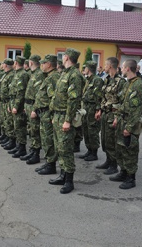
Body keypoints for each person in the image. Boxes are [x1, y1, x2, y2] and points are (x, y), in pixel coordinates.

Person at [49, 48, 83, 194]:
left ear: (67, 57)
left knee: (66, 149)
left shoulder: (74, 75)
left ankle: (69, 181)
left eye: (63, 56)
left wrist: (68, 120)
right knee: (59, 147)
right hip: (58, 116)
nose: (62, 58)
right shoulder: (65, 73)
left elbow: (73, 100)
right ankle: (62, 175)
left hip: (65, 116)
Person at [111, 59, 142, 189]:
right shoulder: (128, 83)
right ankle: (123, 171)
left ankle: (131, 178)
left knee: (130, 150)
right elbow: (122, 103)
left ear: (128, 68)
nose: (121, 68)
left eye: (123, 66)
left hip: (129, 122)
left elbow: (136, 110)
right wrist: (117, 117)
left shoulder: (138, 85)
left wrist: (129, 127)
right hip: (122, 119)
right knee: (120, 148)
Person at [95, 57, 126, 174]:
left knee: (112, 141)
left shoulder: (121, 82)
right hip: (105, 113)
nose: (104, 66)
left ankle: (114, 165)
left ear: (111, 66)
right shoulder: (107, 80)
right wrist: (100, 110)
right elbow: (104, 97)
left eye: (106, 64)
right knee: (105, 139)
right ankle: (108, 160)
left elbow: (122, 101)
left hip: (114, 114)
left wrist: (118, 117)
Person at [20, 54, 45, 164]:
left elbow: (38, 95)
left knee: (35, 131)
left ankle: (36, 154)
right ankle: (32, 151)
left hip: (34, 105)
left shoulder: (39, 74)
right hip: (29, 105)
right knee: (31, 130)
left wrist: (34, 109)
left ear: (31, 62)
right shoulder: (33, 74)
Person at [79, 61, 104, 161]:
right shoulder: (88, 80)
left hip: (92, 108)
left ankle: (94, 153)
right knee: (86, 130)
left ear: (88, 69)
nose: (84, 70)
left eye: (85, 68)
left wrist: (98, 110)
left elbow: (98, 97)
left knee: (92, 131)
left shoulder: (97, 80)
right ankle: (89, 150)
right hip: (86, 108)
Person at [8, 56, 30, 158]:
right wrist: (10, 105)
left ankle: (22, 148)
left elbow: (21, 93)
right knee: (16, 126)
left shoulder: (23, 74)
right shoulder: (17, 73)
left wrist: (16, 106)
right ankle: (18, 146)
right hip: (13, 102)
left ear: (16, 63)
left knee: (20, 127)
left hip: (19, 106)